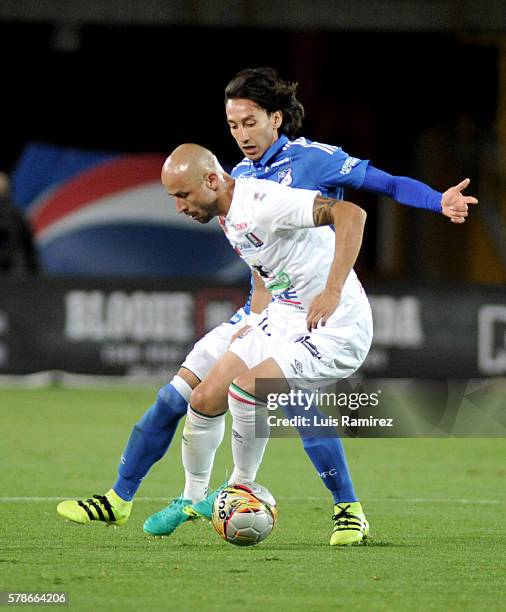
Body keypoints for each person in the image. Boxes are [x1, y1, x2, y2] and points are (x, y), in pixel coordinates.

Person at [57, 67, 477, 545]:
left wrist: (435, 200)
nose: (242, 135)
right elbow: (263, 264)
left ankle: (327, 506)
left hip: (330, 315)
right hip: (281, 309)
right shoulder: (233, 180)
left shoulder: (305, 165)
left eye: (250, 122)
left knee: (271, 391)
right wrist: (253, 320)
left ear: (276, 118)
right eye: (233, 126)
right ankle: (180, 496)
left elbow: (374, 192)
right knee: (199, 394)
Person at [0, 171, 38, 275]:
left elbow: (27, 244)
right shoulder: (17, 214)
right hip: (17, 272)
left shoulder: (15, 215)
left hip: (15, 272)